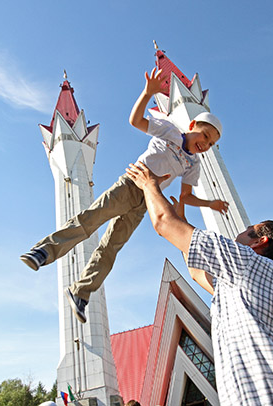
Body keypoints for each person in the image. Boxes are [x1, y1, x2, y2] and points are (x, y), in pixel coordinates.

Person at [20, 67, 228, 323]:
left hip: (146, 201)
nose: (205, 144)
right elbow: (136, 121)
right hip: (131, 184)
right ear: (193, 125)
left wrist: (210, 203)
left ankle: (80, 292)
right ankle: (43, 251)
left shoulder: (193, 164)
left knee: (112, 246)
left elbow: (186, 197)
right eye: (205, 136)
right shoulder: (170, 130)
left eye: (211, 144)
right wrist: (147, 92)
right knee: (91, 219)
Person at [125, 162, 273, 405]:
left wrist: (148, 184)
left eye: (249, 229)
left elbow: (163, 223)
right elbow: (199, 275)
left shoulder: (247, 263)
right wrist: (183, 220)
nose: (241, 232)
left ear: (259, 242)